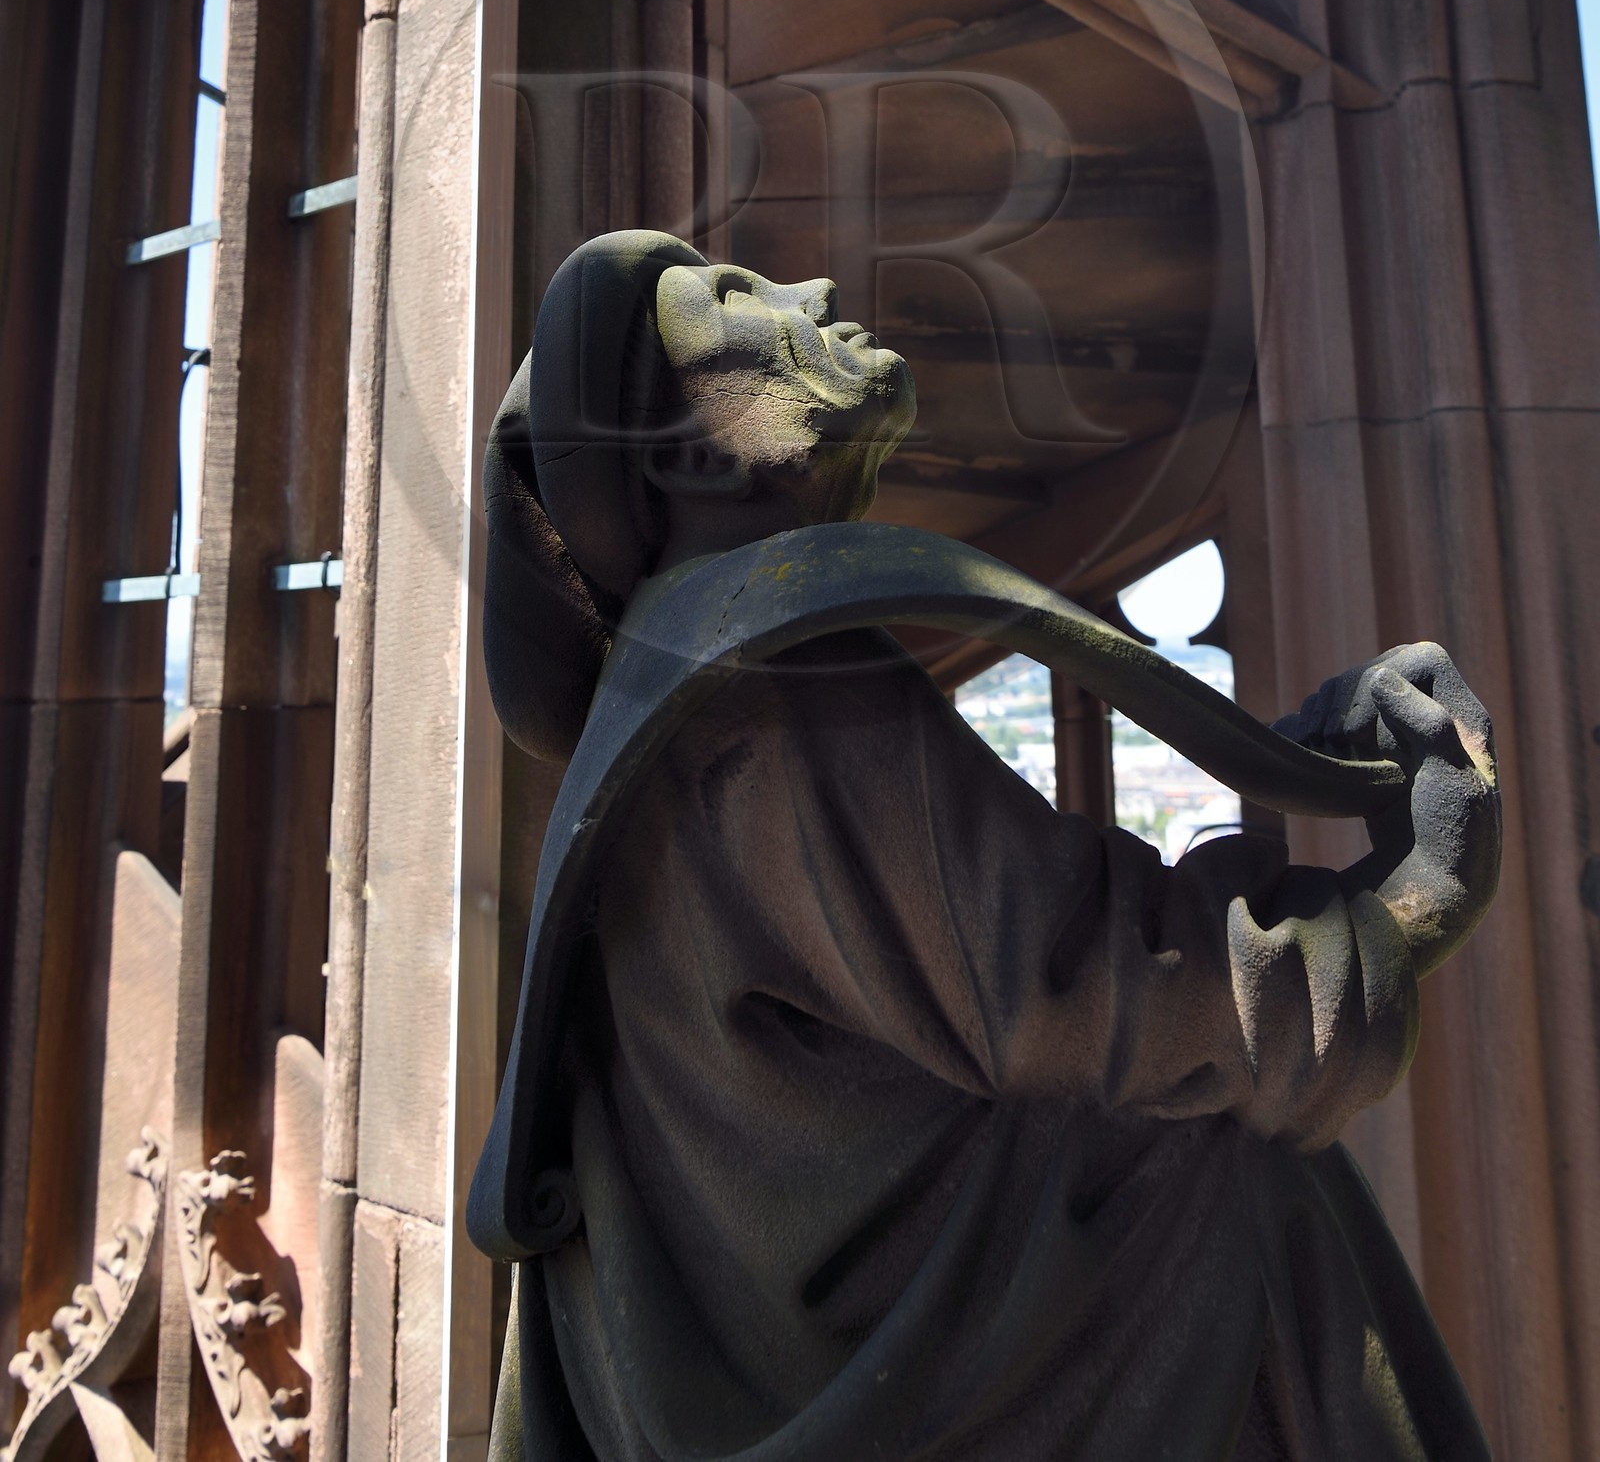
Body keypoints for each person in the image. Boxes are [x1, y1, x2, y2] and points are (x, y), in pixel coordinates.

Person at [470, 231, 1500, 1461]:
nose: (815, 291)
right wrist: (1415, 897)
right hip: (940, 1385)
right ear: (680, 446)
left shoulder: (664, 690)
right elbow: (1107, 998)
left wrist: (1287, 756)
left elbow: (956, 915)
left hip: (766, 1378)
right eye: (737, 297)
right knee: (1246, 1195)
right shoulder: (780, 675)